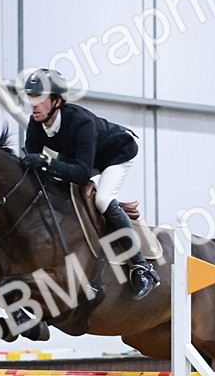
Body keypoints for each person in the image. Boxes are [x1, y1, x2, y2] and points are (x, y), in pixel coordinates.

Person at [21, 68, 160, 300]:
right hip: (80, 155)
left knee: (102, 199)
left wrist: (46, 161)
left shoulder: (81, 122)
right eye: (30, 97)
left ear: (56, 101)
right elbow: (33, 168)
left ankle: (142, 267)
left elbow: (82, 174)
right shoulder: (35, 124)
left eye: (39, 98)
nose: (33, 104)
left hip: (117, 152)